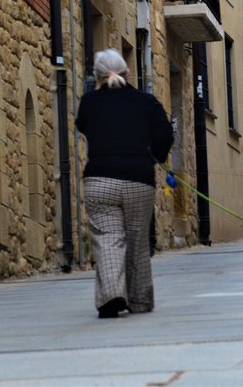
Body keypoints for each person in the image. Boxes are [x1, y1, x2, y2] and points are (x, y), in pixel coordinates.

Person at [75, 49, 174, 318]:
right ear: (128, 73)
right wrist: (156, 156)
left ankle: (111, 295)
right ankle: (140, 300)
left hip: (100, 179)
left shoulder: (89, 102)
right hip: (138, 179)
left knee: (108, 238)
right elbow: (164, 134)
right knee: (138, 239)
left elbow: (82, 126)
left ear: (97, 77)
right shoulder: (147, 102)